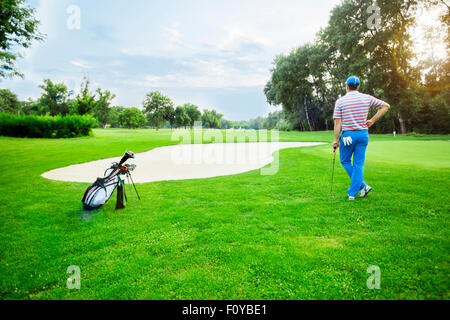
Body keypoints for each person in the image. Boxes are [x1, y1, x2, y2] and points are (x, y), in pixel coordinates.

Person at [332, 76, 390, 200]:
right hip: (363, 135)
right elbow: (386, 106)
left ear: (347, 86)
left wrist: (336, 140)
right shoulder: (367, 98)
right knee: (358, 164)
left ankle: (352, 193)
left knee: (346, 161)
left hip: (348, 136)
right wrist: (373, 120)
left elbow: (338, 124)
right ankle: (363, 187)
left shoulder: (340, 101)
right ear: (358, 86)